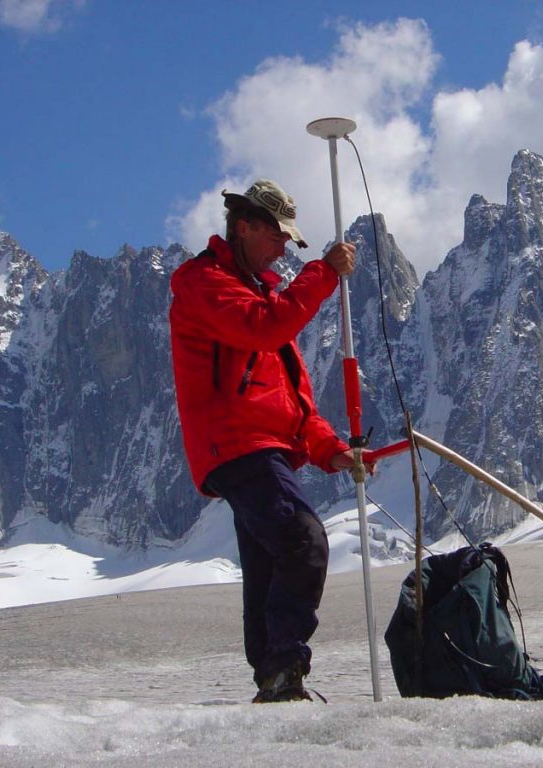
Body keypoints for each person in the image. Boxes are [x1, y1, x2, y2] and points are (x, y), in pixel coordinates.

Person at [169, 178, 368, 702]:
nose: (283, 249)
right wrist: (321, 273)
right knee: (302, 540)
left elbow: (294, 403)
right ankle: (283, 669)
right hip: (236, 445)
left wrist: (329, 449)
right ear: (244, 226)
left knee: (269, 565)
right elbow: (265, 329)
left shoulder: (260, 293)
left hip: (259, 446)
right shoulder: (203, 282)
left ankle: (274, 680)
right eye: (277, 237)